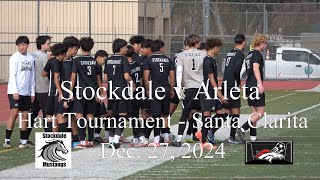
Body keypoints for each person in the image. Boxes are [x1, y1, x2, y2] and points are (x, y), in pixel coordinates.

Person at [171, 34, 206, 147]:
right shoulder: (203, 54)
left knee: (185, 113)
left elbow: (179, 72)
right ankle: (204, 137)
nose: (200, 43)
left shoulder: (181, 55)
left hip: (189, 87)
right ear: (195, 42)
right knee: (204, 112)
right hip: (201, 86)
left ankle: (179, 138)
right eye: (199, 41)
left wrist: (179, 86)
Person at [70, 37, 103, 148]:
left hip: (80, 91)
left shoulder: (76, 61)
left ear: (81, 48)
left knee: (79, 115)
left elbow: (73, 78)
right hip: (92, 92)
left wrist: (70, 92)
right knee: (90, 115)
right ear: (91, 47)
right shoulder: (95, 62)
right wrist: (100, 92)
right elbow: (99, 79)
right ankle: (90, 140)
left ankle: (82, 141)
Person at [4, 36, 35, 149]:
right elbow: (12, 75)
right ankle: (7, 140)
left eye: (24, 44)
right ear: (17, 46)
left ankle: (23, 141)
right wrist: (15, 92)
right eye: (20, 45)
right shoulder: (14, 58)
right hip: (15, 92)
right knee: (14, 113)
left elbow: (32, 77)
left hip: (27, 93)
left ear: (27, 45)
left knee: (25, 116)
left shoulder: (31, 59)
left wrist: (32, 92)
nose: (22, 47)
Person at [237, 33, 268, 142]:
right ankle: (242, 128)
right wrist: (260, 83)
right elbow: (255, 68)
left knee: (254, 113)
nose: (266, 45)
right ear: (261, 43)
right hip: (254, 85)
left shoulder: (249, 54)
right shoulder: (257, 54)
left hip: (248, 85)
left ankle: (253, 137)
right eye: (265, 43)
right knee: (260, 113)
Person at [143, 40, 175, 146]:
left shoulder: (148, 60)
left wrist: (148, 89)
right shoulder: (168, 60)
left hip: (154, 89)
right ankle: (165, 137)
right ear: (161, 48)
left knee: (155, 115)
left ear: (151, 49)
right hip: (165, 88)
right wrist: (171, 89)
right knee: (165, 114)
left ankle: (156, 139)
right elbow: (172, 77)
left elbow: (146, 77)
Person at [197, 38, 227, 150]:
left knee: (221, 114)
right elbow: (211, 80)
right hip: (207, 91)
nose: (219, 50)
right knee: (207, 115)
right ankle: (204, 141)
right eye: (219, 47)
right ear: (215, 47)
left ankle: (204, 132)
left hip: (211, 91)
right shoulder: (207, 61)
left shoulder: (212, 60)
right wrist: (220, 95)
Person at [104, 38, 134, 149]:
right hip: (121, 91)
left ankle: (111, 140)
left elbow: (106, 78)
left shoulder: (108, 60)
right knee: (122, 116)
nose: (126, 49)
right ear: (121, 48)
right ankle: (116, 140)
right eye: (126, 47)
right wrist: (132, 84)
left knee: (113, 116)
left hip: (111, 91)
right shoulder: (124, 59)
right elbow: (126, 76)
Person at [222, 34, 246, 144]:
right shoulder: (240, 54)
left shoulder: (229, 53)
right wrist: (238, 82)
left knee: (227, 112)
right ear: (244, 42)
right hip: (232, 86)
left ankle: (208, 131)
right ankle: (231, 137)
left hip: (225, 84)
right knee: (235, 112)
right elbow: (237, 70)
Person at [27, 35, 52, 145]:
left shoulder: (31, 55)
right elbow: (47, 73)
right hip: (44, 89)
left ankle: (24, 137)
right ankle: (48, 137)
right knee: (47, 113)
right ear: (42, 45)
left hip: (33, 90)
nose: (50, 45)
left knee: (32, 115)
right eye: (48, 43)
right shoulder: (44, 57)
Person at [126, 45, 148, 147]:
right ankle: (136, 138)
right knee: (134, 114)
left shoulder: (126, 65)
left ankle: (142, 137)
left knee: (131, 116)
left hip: (131, 93)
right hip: (139, 92)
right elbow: (141, 78)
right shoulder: (137, 64)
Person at [93, 50, 109, 144]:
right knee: (93, 115)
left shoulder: (99, 66)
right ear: (98, 57)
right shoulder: (94, 66)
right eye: (104, 59)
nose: (105, 62)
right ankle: (92, 137)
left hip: (96, 93)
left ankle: (97, 135)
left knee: (103, 114)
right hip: (92, 94)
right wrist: (97, 94)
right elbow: (94, 81)